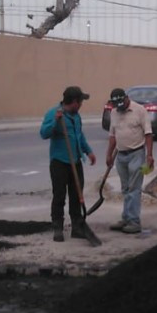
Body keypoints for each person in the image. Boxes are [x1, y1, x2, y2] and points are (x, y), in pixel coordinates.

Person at [40, 86, 97, 243]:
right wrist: (55, 122)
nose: (81, 105)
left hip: (76, 161)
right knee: (59, 196)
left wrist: (88, 151)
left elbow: (80, 136)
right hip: (59, 162)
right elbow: (43, 133)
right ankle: (58, 227)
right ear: (74, 102)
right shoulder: (54, 113)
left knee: (76, 195)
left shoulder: (76, 116)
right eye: (80, 101)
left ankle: (77, 227)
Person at [105, 87, 154, 234]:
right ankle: (126, 218)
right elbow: (113, 135)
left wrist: (149, 155)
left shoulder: (139, 110)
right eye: (116, 106)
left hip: (136, 153)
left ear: (126, 98)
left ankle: (134, 221)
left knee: (134, 189)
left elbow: (148, 134)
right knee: (126, 189)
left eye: (121, 104)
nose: (119, 108)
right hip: (121, 155)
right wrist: (109, 154)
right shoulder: (114, 112)